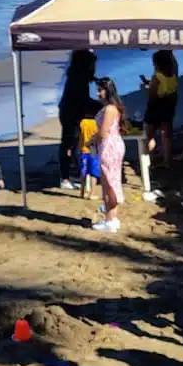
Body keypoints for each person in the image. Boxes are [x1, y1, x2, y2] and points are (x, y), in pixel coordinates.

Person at [57, 51, 99, 189]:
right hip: (71, 113)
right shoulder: (79, 79)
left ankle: (71, 173)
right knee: (69, 144)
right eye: (93, 65)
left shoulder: (78, 76)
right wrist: (100, 105)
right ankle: (65, 177)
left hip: (70, 111)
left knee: (72, 144)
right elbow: (82, 100)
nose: (94, 68)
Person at [91, 76, 127, 234]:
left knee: (108, 184)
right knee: (112, 181)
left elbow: (103, 133)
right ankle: (113, 218)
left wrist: (92, 140)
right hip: (113, 145)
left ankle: (110, 219)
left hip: (109, 147)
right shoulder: (113, 107)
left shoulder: (109, 109)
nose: (98, 94)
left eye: (100, 90)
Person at [141, 50, 179, 171]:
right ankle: (167, 160)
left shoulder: (156, 77)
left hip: (155, 107)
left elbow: (152, 95)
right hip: (168, 106)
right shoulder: (173, 76)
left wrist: (146, 87)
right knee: (166, 135)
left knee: (149, 136)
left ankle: (150, 161)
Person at [77, 113, 101, 200]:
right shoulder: (98, 123)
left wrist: (79, 148)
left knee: (83, 172)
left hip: (84, 150)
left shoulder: (83, 122)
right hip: (94, 150)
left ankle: (82, 192)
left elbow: (80, 136)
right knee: (93, 173)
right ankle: (92, 193)